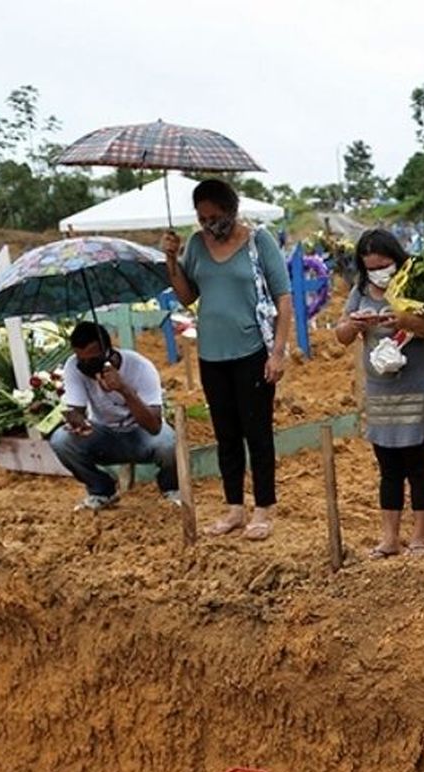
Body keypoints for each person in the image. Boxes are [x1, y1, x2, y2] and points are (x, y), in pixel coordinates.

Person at [162, 178, 293, 542]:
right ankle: (234, 507)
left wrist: (278, 352)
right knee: (226, 435)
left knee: (257, 432)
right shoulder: (196, 246)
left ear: (231, 210)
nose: (209, 224)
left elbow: (284, 299)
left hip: (251, 351)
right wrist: (171, 259)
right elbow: (188, 296)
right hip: (212, 355)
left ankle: (264, 506)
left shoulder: (258, 242)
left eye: (215, 217)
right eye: (202, 218)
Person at [337, 228, 424, 559]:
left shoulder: (416, 285)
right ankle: (389, 538)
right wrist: (355, 325)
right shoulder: (361, 291)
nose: (379, 272)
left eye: (385, 264)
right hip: (380, 393)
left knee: (417, 465)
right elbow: (341, 334)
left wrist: (409, 321)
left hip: (416, 389)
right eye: (371, 266)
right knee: (388, 467)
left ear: (397, 259)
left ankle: (419, 537)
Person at [49, 321, 179, 510]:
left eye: (92, 359)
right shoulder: (73, 367)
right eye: (80, 359)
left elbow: (154, 426)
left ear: (108, 353)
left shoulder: (140, 366)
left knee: (168, 443)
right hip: (103, 434)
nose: (85, 364)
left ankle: (172, 489)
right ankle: (101, 491)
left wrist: (124, 389)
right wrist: (77, 422)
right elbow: (76, 409)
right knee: (61, 440)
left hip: (142, 433)